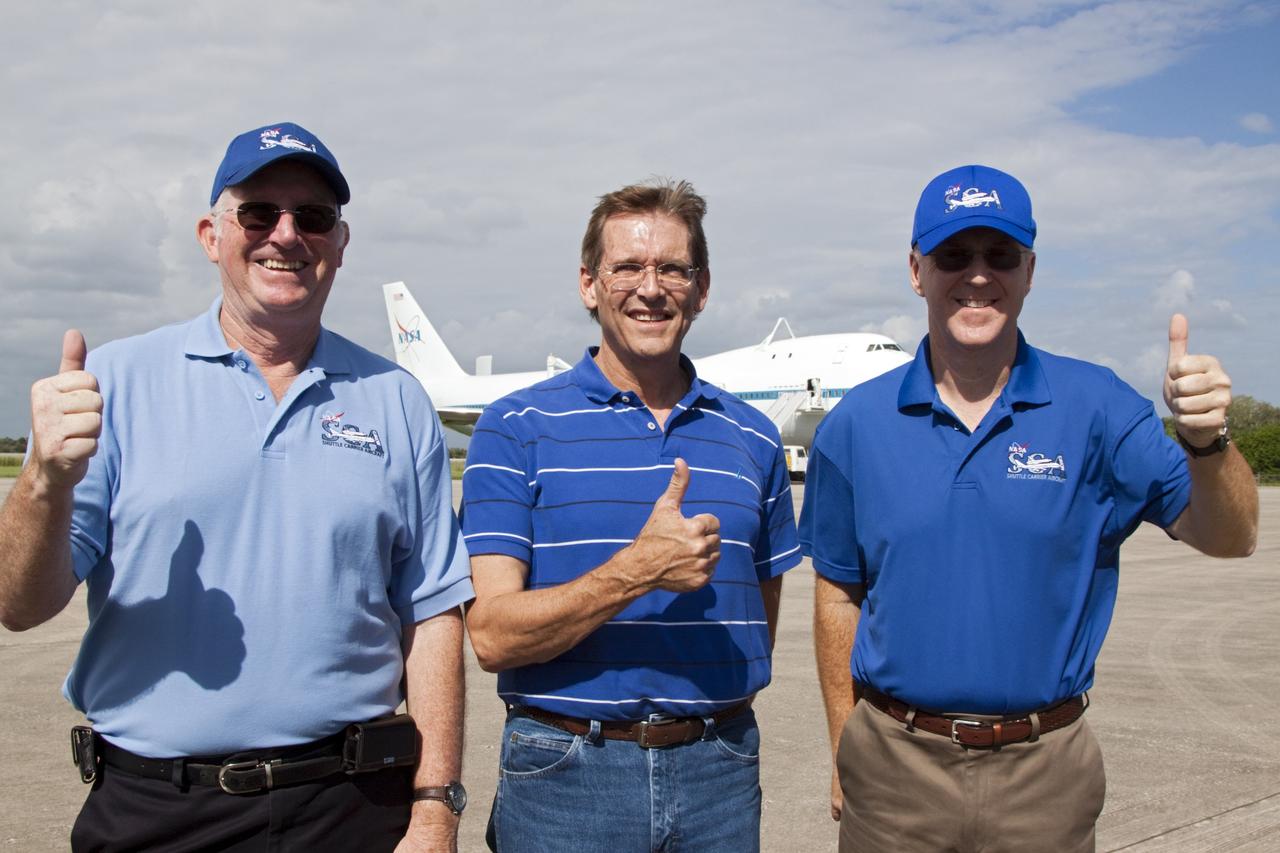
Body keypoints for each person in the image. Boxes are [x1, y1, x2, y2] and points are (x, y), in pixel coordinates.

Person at [0, 122, 473, 852]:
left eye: (312, 217)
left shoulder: (396, 397)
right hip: (160, 809)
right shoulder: (115, 384)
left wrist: (436, 806)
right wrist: (42, 483)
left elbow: (433, 610)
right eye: (259, 213)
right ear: (211, 234)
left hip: (350, 807)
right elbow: (19, 605)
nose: (286, 234)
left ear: (339, 245)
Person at [802, 164, 1259, 853]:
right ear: (916, 269)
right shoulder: (855, 426)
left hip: (1045, 773)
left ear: (1031, 269)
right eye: (954, 254)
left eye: (1001, 255)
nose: (978, 275)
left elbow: (1231, 535)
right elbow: (838, 593)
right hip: (894, 770)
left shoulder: (1099, 408)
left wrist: (1209, 442)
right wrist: (844, 743)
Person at [461, 179, 802, 852]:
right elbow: (492, 636)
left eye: (673, 268)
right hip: (565, 773)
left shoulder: (754, 438)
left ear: (701, 289)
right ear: (590, 284)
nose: (652, 287)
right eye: (628, 267)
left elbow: (757, 619)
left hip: (719, 773)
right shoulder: (515, 428)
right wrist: (635, 572)